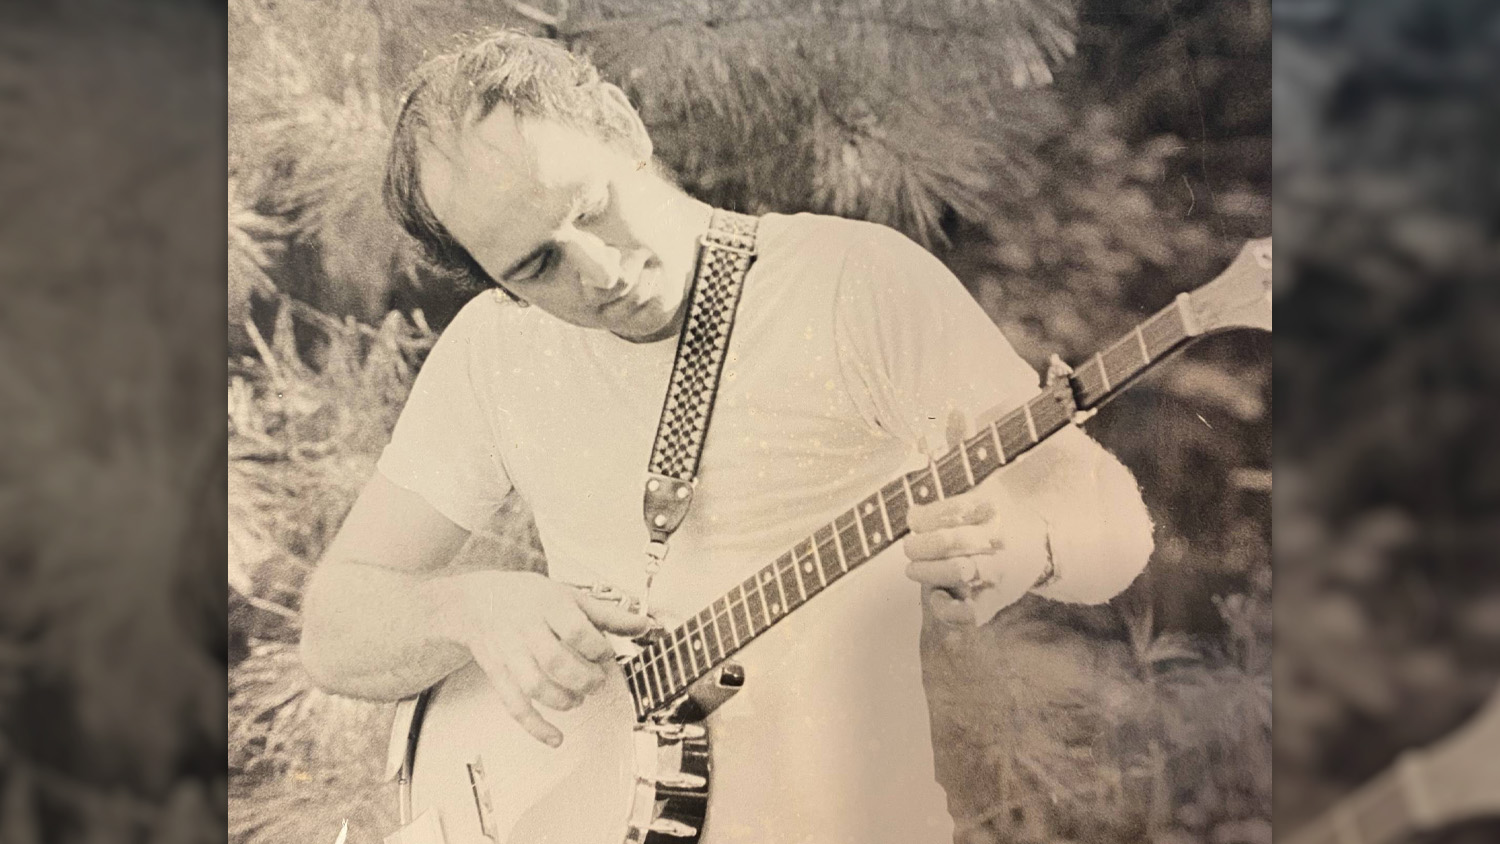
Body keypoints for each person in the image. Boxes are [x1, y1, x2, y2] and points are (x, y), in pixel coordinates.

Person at [299, 30, 1155, 844]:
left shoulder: (853, 282)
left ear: (623, 129)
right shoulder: (493, 349)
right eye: (537, 266)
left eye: (593, 208)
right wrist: (469, 607)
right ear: (490, 280)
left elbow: (1113, 524)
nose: (599, 271)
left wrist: (1027, 545)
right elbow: (336, 632)